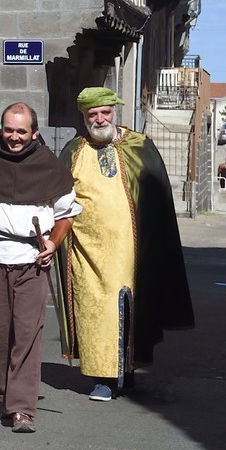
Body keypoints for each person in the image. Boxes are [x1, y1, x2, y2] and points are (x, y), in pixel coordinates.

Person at [54, 88, 195, 401]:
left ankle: (125, 368)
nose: (99, 119)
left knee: (126, 308)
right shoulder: (73, 150)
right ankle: (102, 378)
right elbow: (57, 197)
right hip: (85, 252)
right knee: (94, 312)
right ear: (84, 117)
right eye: (93, 115)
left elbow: (156, 196)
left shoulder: (139, 145)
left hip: (131, 250)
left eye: (104, 112)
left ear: (114, 111)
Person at [0, 102, 80, 433]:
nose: (14, 136)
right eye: (9, 130)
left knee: (27, 332)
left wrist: (53, 243)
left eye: (21, 131)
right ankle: (5, 392)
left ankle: (22, 407)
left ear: (34, 132)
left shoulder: (51, 168)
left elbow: (66, 214)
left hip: (31, 260)